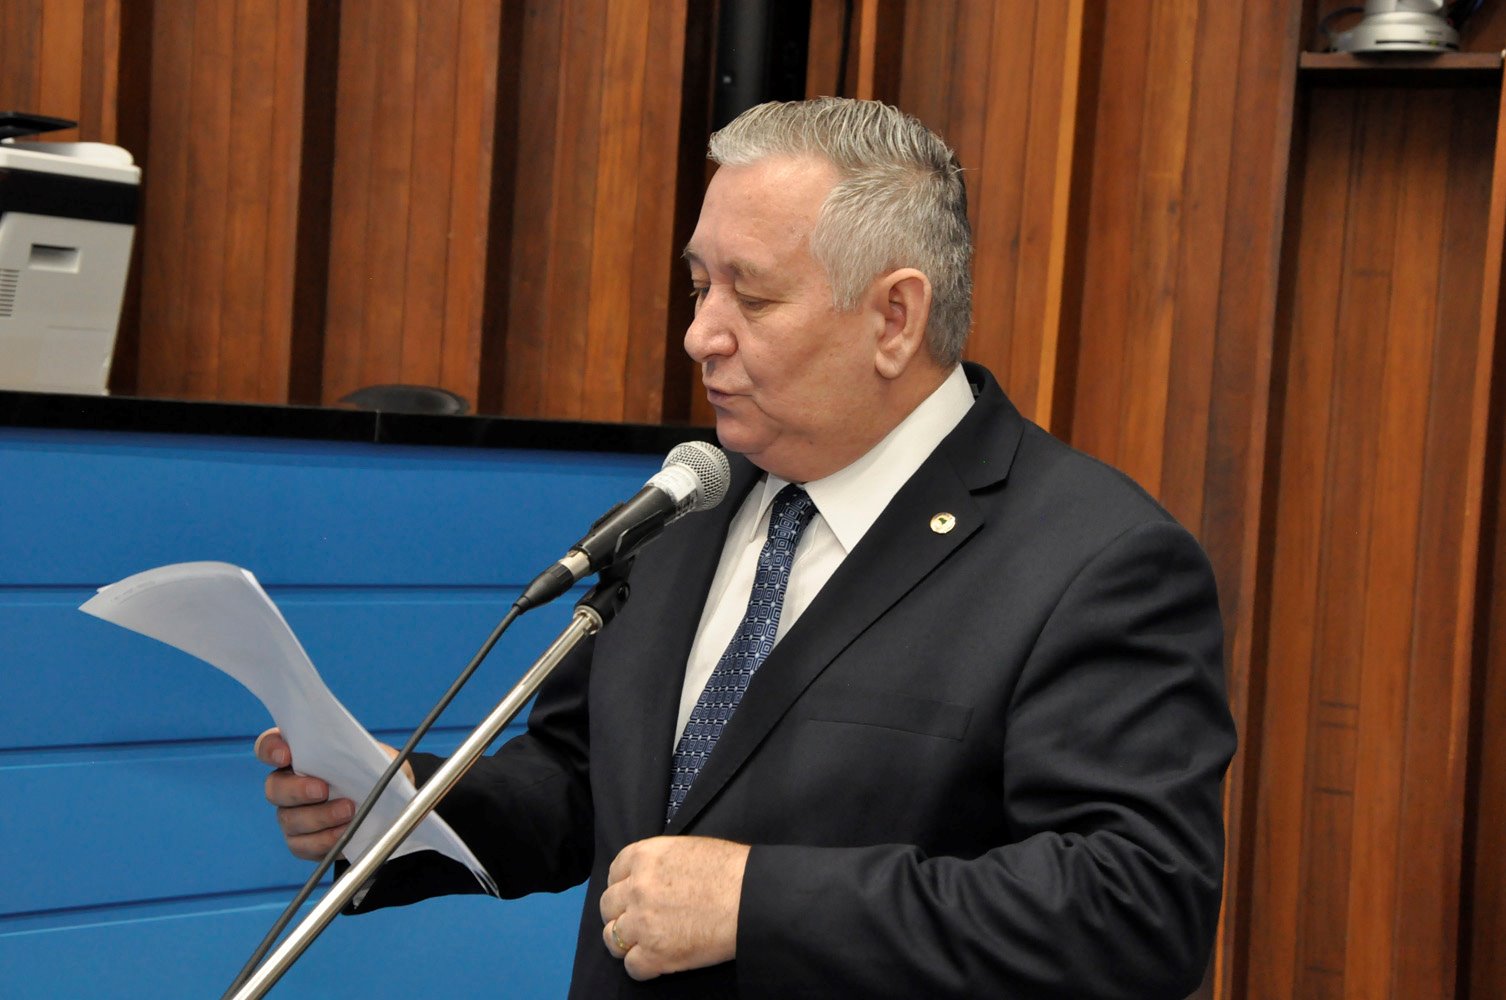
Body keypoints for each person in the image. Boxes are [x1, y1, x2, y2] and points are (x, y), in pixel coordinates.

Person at [259, 97, 1236, 998]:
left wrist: (758, 902)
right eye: (698, 286)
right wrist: (406, 809)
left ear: (895, 318)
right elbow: (586, 775)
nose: (700, 335)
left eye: (752, 298)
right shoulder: (692, 503)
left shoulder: (1095, 561)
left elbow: (1135, 906)